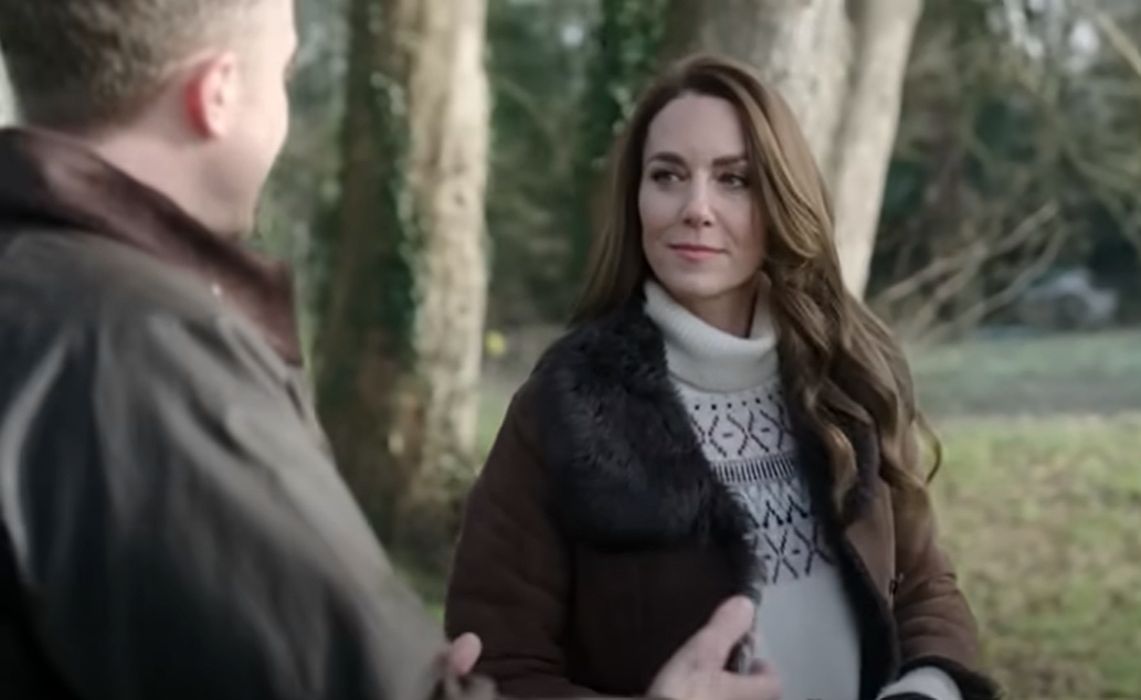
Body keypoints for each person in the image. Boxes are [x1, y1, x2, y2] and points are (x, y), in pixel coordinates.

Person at [0, 4, 777, 700]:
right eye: (285, 73)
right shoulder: (143, 352)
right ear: (220, 93)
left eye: (735, 180)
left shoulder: (51, 302)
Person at [444, 54, 1002, 700]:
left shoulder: (849, 375)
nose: (697, 208)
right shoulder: (564, 406)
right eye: (667, 176)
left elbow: (925, 587)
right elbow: (496, 668)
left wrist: (927, 691)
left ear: (781, 199)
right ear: (635, 198)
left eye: (734, 179)